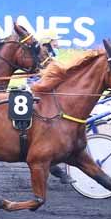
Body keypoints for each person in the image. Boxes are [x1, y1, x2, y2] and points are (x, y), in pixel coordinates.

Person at [28, 29, 75, 185]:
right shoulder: (44, 57)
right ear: (48, 42)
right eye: (55, 40)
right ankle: (58, 171)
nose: (58, 43)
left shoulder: (52, 55)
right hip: (37, 90)